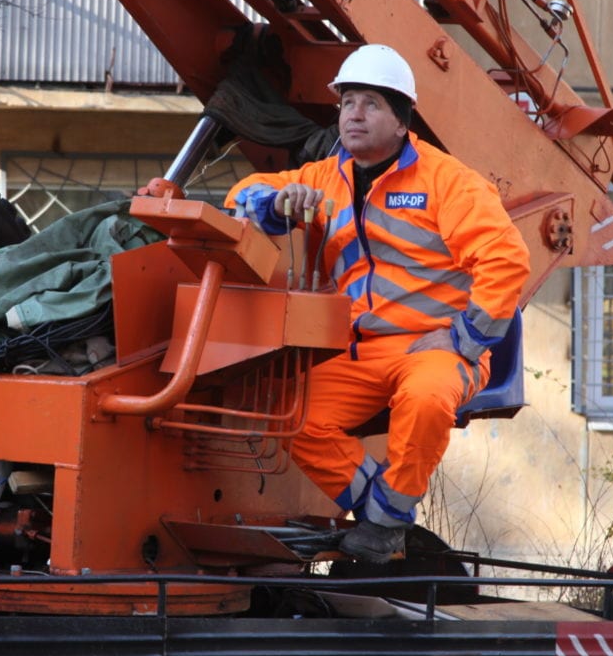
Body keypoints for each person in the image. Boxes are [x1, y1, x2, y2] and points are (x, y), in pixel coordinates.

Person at [224, 44, 531, 563]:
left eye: (370, 104)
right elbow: (239, 196)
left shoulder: (447, 181)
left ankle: (385, 523)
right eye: (347, 103)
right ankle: (382, 517)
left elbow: (506, 259)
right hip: (359, 352)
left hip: (434, 350)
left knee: (429, 397)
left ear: (401, 120)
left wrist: (462, 339)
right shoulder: (324, 178)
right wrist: (272, 204)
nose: (354, 115)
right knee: (288, 413)